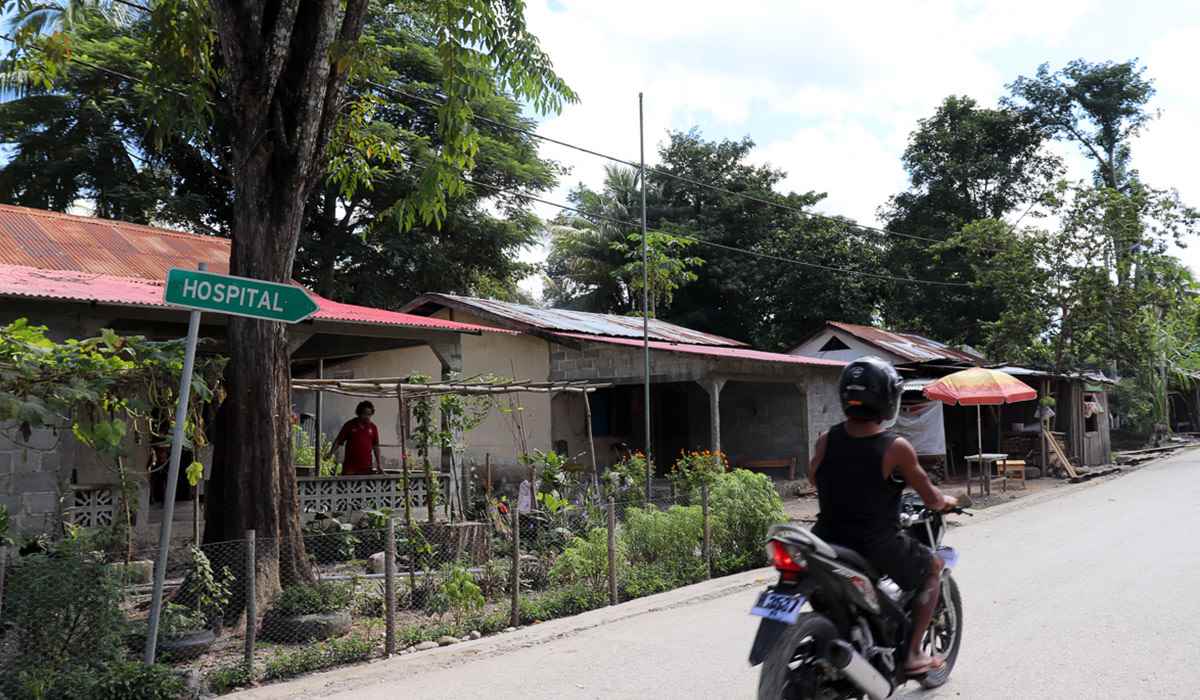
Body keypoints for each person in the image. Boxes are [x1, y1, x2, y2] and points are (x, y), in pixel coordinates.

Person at [807, 356, 958, 676]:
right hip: (875, 545)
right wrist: (946, 500)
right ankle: (914, 654)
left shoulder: (826, 439)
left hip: (825, 541)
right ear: (888, 399)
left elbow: (813, 478)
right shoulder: (896, 447)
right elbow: (930, 497)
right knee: (932, 567)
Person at [326, 401, 383, 475]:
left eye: (369, 414)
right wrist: (331, 453)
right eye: (365, 414)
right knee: (348, 485)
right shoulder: (349, 425)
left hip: (366, 467)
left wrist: (379, 464)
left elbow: (376, 446)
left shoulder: (373, 427)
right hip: (350, 467)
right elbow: (338, 441)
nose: (367, 417)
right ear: (359, 413)